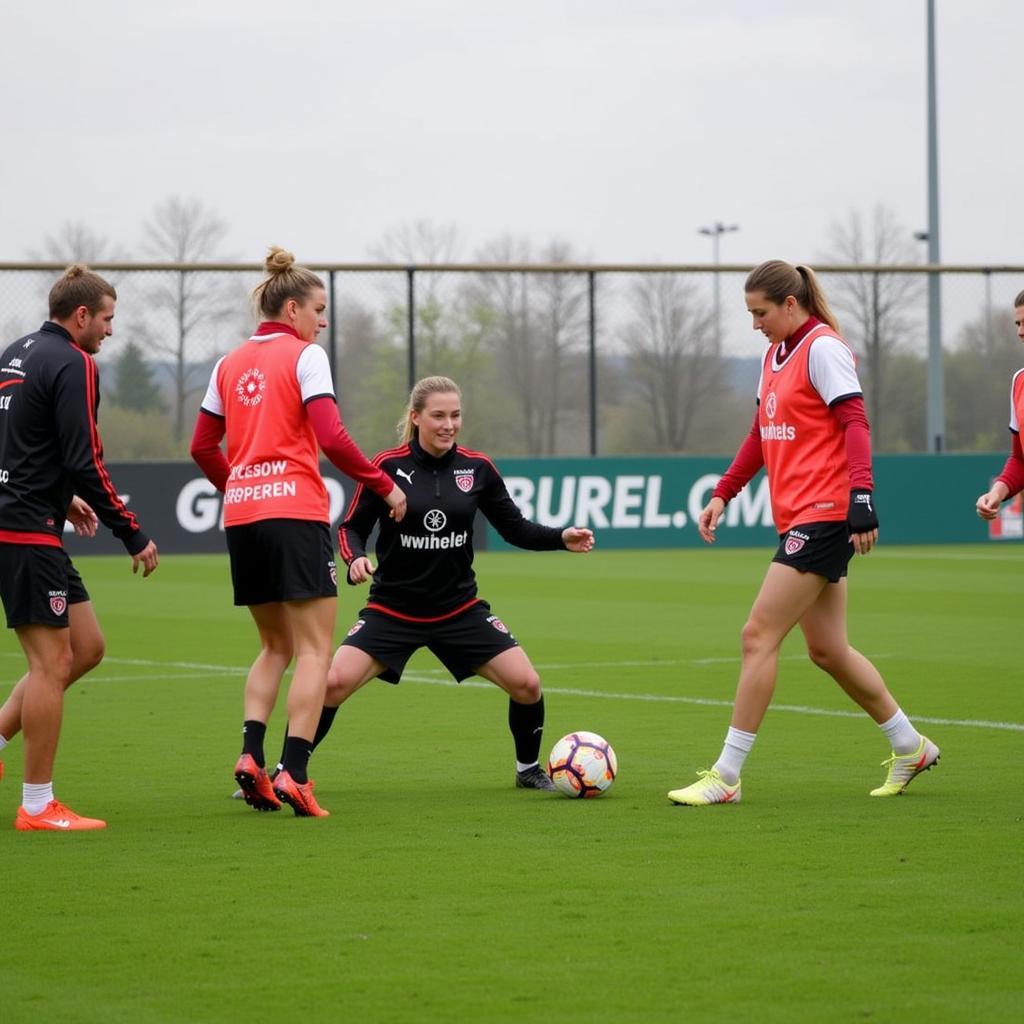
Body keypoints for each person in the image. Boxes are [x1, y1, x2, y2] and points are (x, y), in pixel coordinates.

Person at [668, 260, 939, 806]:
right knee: (828, 650)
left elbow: (855, 422)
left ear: (791, 304)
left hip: (826, 513)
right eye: (749, 314)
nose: (754, 324)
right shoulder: (774, 355)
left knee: (757, 636)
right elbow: (759, 434)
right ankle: (910, 746)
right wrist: (724, 491)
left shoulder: (823, 348)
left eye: (760, 312)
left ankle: (726, 776)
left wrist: (862, 497)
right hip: (800, 516)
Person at [278, 375, 594, 792]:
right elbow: (350, 528)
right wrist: (356, 559)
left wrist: (559, 538)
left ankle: (528, 769)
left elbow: (514, 528)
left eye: (456, 415)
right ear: (416, 417)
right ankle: (284, 771)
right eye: (439, 415)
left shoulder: (477, 468)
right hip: (393, 609)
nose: (449, 424)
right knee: (332, 684)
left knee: (527, 684)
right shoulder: (387, 467)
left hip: (458, 609)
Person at [190, 247, 406, 818]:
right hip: (295, 511)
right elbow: (331, 438)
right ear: (292, 308)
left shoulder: (226, 363)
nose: (324, 320)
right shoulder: (307, 356)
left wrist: (238, 487)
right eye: (319, 308)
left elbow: (200, 446)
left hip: (243, 517)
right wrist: (383, 485)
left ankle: (249, 755)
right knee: (314, 649)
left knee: (273, 646)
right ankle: (295, 772)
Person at [0, 264, 160, 832]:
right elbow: (83, 458)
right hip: (24, 530)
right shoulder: (75, 362)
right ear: (83, 315)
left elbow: (20, 442)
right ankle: (38, 805)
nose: (111, 332)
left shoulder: (13, 353)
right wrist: (132, 531)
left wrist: (60, 499)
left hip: (27, 520)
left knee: (86, 647)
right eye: (109, 319)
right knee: (50, 665)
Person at [975, 289, 1024, 522]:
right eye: (1017, 324)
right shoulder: (1019, 383)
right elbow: (1020, 459)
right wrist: (996, 492)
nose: (1020, 332)